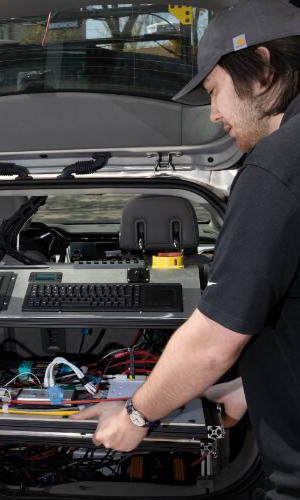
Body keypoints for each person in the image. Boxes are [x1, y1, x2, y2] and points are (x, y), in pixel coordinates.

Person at [73, 1, 300, 497]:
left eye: (215, 91)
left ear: (261, 69)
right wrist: (251, 387)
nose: (215, 114)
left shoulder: (277, 165)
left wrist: (135, 414)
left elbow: (216, 340)